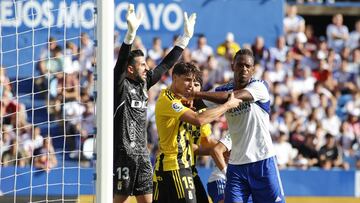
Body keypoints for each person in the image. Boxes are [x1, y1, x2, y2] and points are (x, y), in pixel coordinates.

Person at [113, 4, 197, 203]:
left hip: (143, 156)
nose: (147, 67)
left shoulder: (145, 83)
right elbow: (120, 63)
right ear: (130, 70)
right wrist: (130, 35)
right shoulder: (119, 85)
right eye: (142, 64)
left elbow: (166, 64)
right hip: (123, 155)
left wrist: (184, 38)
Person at [186, 49, 285, 203]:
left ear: (253, 69)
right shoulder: (221, 90)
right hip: (236, 167)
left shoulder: (259, 86)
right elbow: (196, 105)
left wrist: (197, 94)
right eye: (240, 65)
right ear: (233, 66)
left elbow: (231, 98)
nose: (244, 69)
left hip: (263, 162)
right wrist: (181, 99)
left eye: (247, 66)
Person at [152, 62, 241, 203]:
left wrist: (227, 148)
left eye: (194, 82)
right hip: (174, 166)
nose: (191, 86)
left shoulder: (189, 106)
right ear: (174, 78)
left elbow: (205, 144)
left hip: (188, 167)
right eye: (187, 80)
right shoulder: (168, 100)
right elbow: (198, 120)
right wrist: (227, 105)